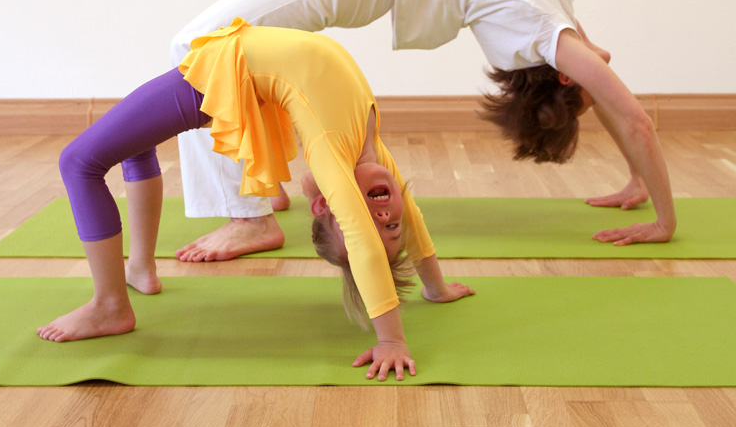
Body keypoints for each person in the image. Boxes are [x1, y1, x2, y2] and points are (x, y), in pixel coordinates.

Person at [170, 0, 676, 261]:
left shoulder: (549, 27)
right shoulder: (556, 29)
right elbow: (630, 114)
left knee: (197, 45)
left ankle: (249, 219)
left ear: (565, 79)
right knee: (233, 46)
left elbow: (625, 110)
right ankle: (256, 190)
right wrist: (653, 202)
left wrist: (651, 198)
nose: (600, 67)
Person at [37, 20, 474, 382]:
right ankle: (137, 271)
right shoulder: (367, 151)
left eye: (369, 220)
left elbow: (362, 239)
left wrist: (392, 341)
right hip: (236, 74)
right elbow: (411, 216)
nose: (383, 215)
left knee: (78, 163)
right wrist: (434, 287)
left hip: (223, 77)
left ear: (327, 206)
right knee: (132, 145)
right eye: (390, 225)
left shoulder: (330, 156)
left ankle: (109, 306)